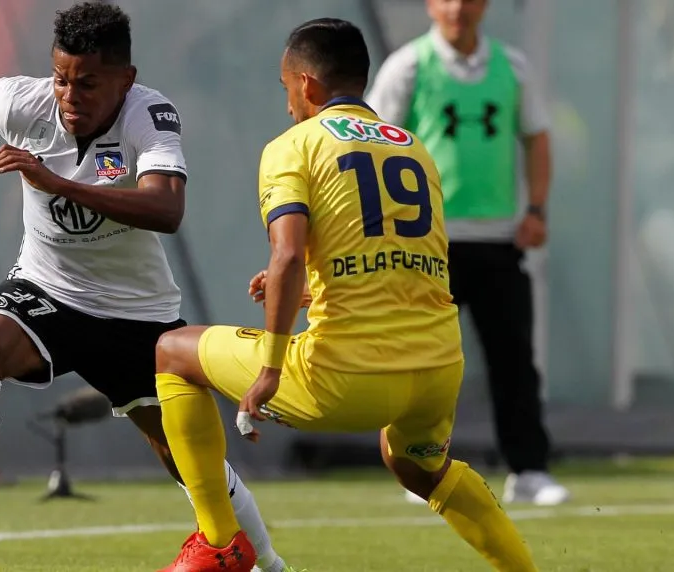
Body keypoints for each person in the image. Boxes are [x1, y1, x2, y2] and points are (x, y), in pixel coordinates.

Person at [0, 4, 288, 572]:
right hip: (47, 291)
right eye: (61, 78)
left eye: (87, 83)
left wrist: (52, 182)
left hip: (137, 313)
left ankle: (272, 565)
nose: (69, 95)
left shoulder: (150, 115)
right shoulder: (24, 103)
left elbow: (165, 207)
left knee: (188, 460)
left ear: (125, 80)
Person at [154, 17, 540, 572]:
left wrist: (269, 368)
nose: (287, 102)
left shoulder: (294, 146)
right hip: (435, 372)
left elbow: (286, 254)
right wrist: (315, 284)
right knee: (416, 467)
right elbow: (405, 261)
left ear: (307, 85)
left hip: (343, 381)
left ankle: (220, 544)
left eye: (286, 86)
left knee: (172, 352)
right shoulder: (414, 149)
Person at [365, 0, 569, 506]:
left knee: (514, 360)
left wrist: (537, 209)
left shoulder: (513, 66)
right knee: (423, 362)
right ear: (432, 5)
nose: (458, 7)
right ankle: (418, 466)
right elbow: (372, 146)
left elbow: (537, 138)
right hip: (426, 244)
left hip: (500, 241)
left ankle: (528, 469)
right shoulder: (408, 66)